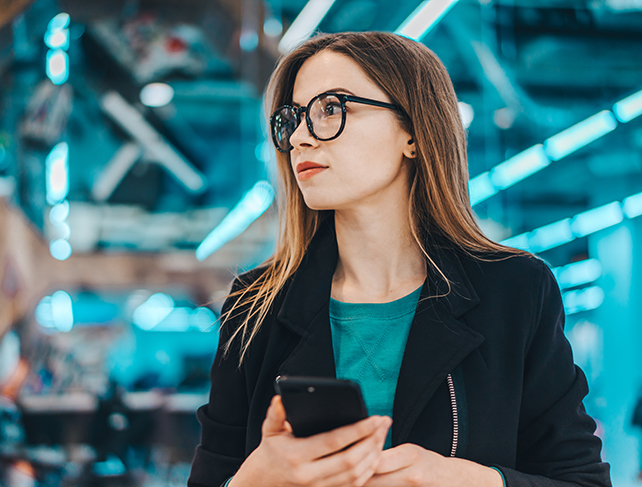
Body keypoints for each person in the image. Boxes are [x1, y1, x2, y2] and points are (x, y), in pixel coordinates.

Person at [188, 32, 612, 487]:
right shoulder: (255, 305)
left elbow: (581, 481)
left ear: (412, 132)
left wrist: (469, 481)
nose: (300, 139)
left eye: (331, 108)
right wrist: (253, 480)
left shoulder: (514, 291)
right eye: (292, 120)